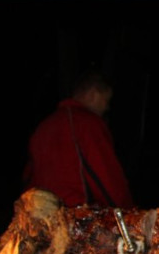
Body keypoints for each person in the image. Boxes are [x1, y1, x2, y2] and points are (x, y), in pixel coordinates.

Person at [24, 69, 135, 208]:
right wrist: (128, 211)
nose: (106, 107)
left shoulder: (44, 126)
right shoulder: (88, 123)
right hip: (76, 213)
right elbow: (108, 177)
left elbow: (29, 176)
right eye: (106, 100)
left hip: (40, 213)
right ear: (94, 94)